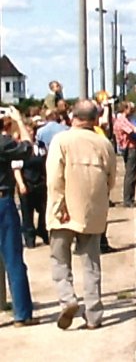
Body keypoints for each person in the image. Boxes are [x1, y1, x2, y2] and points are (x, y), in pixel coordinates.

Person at [46, 99, 117, 330]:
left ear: (72, 117)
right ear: (96, 120)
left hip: (63, 212)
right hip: (92, 213)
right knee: (91, 264)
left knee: (59, 259)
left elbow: (54, 177)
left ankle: (68, 299)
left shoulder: (61, 140)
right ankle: (94, 314)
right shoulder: (104, 143)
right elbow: (111, 179)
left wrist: (59, 206)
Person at [0, 105, 38, 327]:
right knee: (13, 258)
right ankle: (22, 314)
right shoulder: (3, 143)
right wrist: (20, 121)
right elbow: (28, 148)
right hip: (2, 201)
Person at [113, 101, 136, 208]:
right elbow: (135, 131)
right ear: (125, 109)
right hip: (130, 149)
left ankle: (129, 198)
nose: (131, 111)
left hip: (128, 148)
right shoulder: (122, 121)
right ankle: (128, 200)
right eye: (130, 109)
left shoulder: (123, 120)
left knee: (131, 173)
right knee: (131, 174)